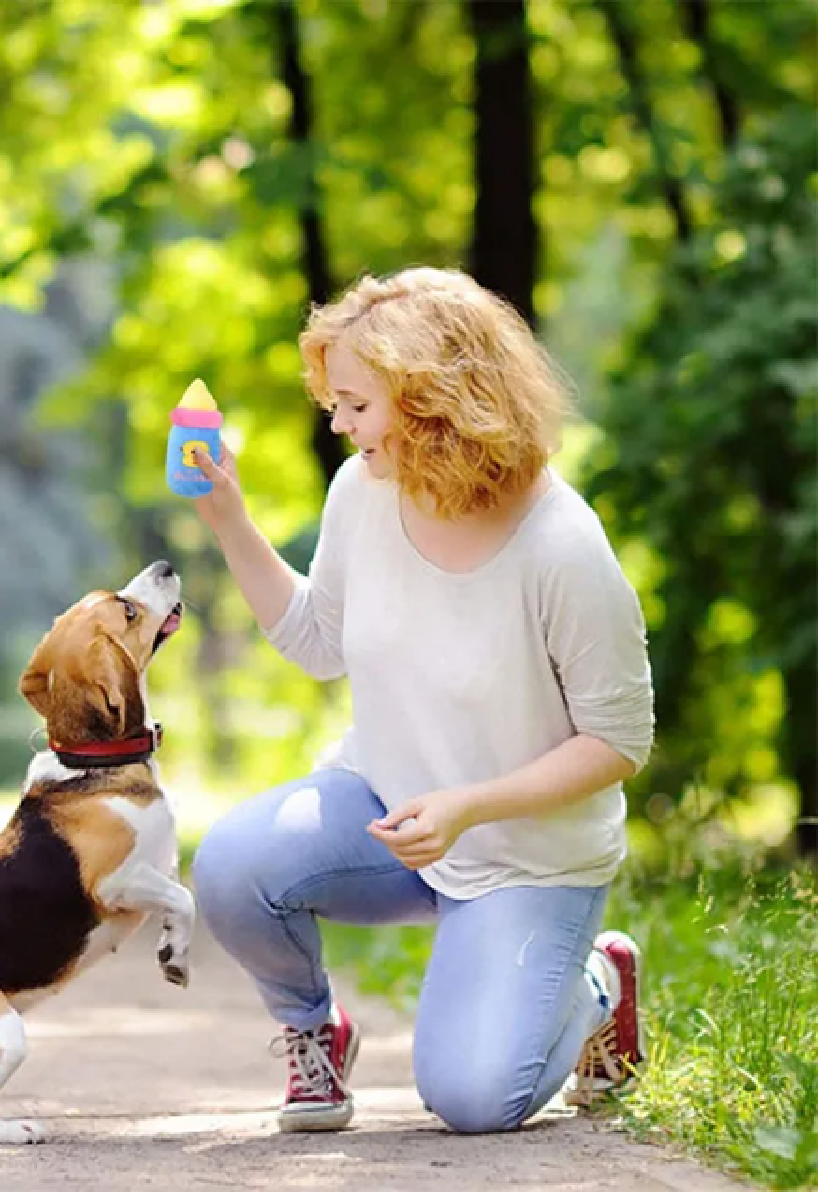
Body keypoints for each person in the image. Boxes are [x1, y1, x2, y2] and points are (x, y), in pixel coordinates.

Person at [187, 266, 654, 1136]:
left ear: (433, 402)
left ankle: (597, 982)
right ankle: (314, 1032)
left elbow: (619, 742)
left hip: (525, 855)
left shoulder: (562, 546)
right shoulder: (362, 493)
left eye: (356, 404)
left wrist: (469, 806)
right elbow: (318, 642)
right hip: (387, 810)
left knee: (475, 1100)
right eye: (335, 402)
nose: (337, 423)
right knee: (232, 866)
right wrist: (229, 521)